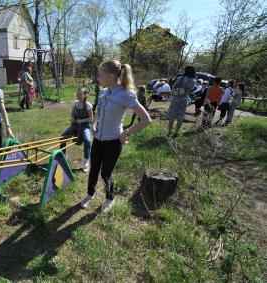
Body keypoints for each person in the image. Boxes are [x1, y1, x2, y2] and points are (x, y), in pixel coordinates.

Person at [80, 60, 152, 213]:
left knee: (106, 173)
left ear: (111, 76)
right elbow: (99, 111)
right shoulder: (104, 92)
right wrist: (94, 123)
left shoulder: (126, 95)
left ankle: (110, 198)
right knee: (93, 170)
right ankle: (90, 194)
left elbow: (146, 120)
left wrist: (126, 132)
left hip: (114, 141)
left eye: (100, 75)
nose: (97, 78)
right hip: (98, 139)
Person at [60, 87, 93, 172]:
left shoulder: (88, 105)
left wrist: (81, 120)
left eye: (81, 94)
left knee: (87, 140)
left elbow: (91, 118)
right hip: (74, 125)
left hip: (84, 126)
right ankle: (63, 155)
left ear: (85, 95)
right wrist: (72, 118)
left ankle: (86, 161)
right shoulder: (74, 103)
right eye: (77, 94)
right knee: (63, 137)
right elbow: (71, 114)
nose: (79, 96)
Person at [166, 66, 196, 137]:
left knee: (172, 115)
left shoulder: (181, 78)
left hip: (176, 98)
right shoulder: (193, 81)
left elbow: (173, 87)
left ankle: (169, 131)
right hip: (185, 99)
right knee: (181, 116)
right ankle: (176, 132)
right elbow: (190, 90)